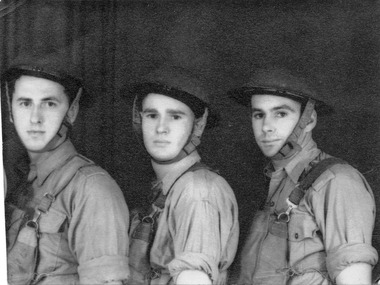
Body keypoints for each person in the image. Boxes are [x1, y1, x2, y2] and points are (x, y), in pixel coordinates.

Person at [228, 67, 378, 285]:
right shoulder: (275, 181)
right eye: (259, 114)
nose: (267, 126)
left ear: (308, 120)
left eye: (281, 113)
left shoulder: (337, 181)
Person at [2, 52, 130, 285]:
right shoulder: (21, 182)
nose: (35, 118)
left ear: (71, 111)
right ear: (10, 111)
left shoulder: (92, 188)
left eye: (49, 103)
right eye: (25, 103)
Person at [127, 65, 239, 285]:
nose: (161, 128)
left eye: (175, 117)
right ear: (139, 120)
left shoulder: (198, 190)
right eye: (152, 115)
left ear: (197, 125)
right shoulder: (164, 186)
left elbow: (194, 278)